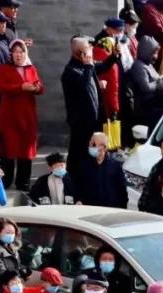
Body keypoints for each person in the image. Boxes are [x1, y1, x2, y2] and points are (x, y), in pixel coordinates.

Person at [0, 39, 42, 190]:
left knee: (25, 150)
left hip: (27, 115)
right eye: (15, 52)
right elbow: (2, 87)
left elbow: (40, 86)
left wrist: (35, 88)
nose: (18, 55)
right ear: (11, 54)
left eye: (21, 52)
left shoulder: (31, 68)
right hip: (10, 115)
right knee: (9, 149)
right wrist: (21, 87)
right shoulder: (4, 68)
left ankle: (24, 182)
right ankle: (6, 180)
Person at [60, 37, 107, 185]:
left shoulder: (87, 66)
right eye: (88, 48)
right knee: (79, 154)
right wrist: (88, 66)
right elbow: (83, 87)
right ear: (80, 53)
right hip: (81, 123)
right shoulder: (71, 71)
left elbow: (101, 67)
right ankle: (74, 183)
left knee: (92, 154)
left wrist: (114, 56)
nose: (91, 51)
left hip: (94, 121)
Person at [79, 131, 128, 208]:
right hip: (90, 209)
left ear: (104, 147)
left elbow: (122, 190)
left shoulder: (115, 165)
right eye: (90, 144)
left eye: (94, 144)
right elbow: (81, 187)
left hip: (110, 210)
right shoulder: (85, 165)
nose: (90, 146)